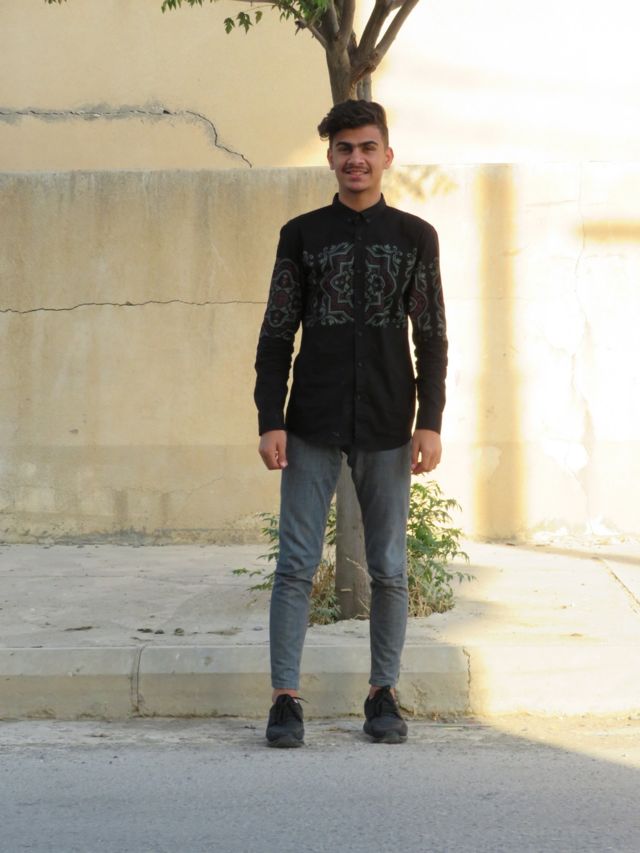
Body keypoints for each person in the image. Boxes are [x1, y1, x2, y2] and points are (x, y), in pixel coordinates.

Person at [254, 100, 447, 747]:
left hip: (389, 422)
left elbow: (432, 335)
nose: (356, 159)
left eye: (367, 147)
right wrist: (271, 418)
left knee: (389, 567)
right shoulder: (302, 236)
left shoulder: (415, 237)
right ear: (331, 157)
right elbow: (276, 332)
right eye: (344, 148)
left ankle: (382, 691)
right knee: (295, 565)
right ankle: (285, 698)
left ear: (386, 155)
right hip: (311, 421)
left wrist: (430, 421)